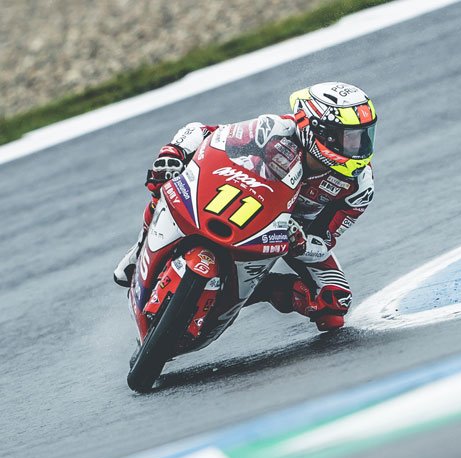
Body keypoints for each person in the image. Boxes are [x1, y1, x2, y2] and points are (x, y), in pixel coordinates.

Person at [113, 82, 377, 331]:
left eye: (364, 136)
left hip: (288, 235)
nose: (359, 147)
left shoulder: (359, 185)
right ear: (318, 131)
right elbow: (204, 133)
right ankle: (141, 249)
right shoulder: (274, 129)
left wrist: (303, 243)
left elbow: (325, 241)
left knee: (335, 305)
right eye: (350, 137)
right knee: (165, 182)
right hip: (243, 199)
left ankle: (259, 289)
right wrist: (173, 153)